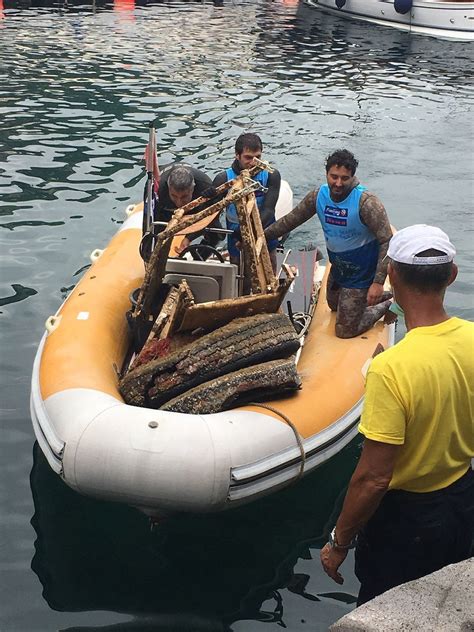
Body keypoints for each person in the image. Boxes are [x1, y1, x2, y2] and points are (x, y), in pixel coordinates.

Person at [320, 224, 474, 606]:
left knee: (385, 604)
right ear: (451, 275)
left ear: (392, 275)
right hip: (464, 499)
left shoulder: (391, 368)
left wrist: (339, 542)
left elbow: (373, 478)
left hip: (407, 520)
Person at [264, 149, 393, 338]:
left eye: (344, 178)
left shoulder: (367, 203)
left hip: (362, 273)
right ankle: (367, 298)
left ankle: (389, 303)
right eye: (333, 177)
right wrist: (262, 238)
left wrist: (378, 283)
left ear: (353, 177)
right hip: (339, 269)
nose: (338, 183)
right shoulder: (318, 196)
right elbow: (290, 221)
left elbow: (387, 241)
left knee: (344, 330)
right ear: (326, 174)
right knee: (333, 305)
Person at [213, 133, 281, 273]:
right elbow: (212, 212)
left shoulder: (271, 175)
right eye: (248, 158)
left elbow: (269, 210)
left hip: (264, 224)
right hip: (235, 229)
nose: (253, 162)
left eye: (258, 157)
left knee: (270, 261)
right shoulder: (223, 179)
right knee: (237, 268)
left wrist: (248, 232)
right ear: (237, 155)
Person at [143, 163, 222, 257]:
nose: (179, 202)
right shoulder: (156, 189)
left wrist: (189, 238)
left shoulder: (205, 186)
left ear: (193, 189)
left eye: (184, 196)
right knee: (155, 233)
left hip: (195, 209)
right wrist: (147, 251)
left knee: (217, 233)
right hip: (166, 209)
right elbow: (149, 220)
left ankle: (200, 257)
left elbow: (212, 217)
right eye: (174, 196)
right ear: (168, 189)